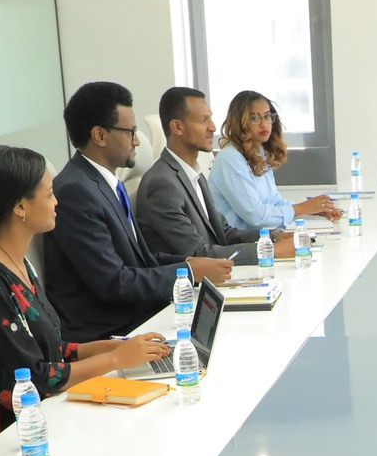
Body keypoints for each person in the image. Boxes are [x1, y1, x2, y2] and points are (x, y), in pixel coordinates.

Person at [0, 145, 172, 456]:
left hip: (40, 422)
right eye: (49, 195)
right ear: (20, 207)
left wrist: (114, 347)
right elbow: (33, 380)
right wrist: (115, 360)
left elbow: (50, 351)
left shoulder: (18, 264)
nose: (57, 202)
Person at [44, 81, 234, 343]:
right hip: (109, 334)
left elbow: (140, 260)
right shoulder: (75, 192)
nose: (136, 141)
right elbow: (113, 282)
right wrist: (189, 272)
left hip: (137, 317)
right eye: (130, 132)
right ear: (99, 136)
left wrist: (189, 264)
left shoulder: (108, 183)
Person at [138, 86, 286, 266]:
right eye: (203, 120)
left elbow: (225, 233)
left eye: (210, 118)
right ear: (177, 127)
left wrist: (274, 236)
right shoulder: (162, 183)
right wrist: (272, 251)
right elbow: (198, 253)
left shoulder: (194, 175)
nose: (213, 127)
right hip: (188, 281)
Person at [207, 91, 342, 235]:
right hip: (237, 243)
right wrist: (303, 208)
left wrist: (314, 210)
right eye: (254, 118)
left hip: (259, 237)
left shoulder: (258, 153)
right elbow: (256, 216)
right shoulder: (230, 158)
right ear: (239, 122)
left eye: (267, 116)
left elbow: (274, 202)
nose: (263, 124)